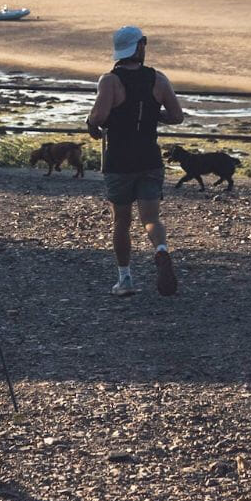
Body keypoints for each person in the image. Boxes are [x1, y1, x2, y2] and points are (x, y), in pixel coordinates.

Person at [86, 26, 185, 297]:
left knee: (121, 220)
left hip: (119, 160)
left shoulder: (110, 81)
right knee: (151, 218)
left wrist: (91, 122)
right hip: (150, 157)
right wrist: (154, 115)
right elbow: (177, 116)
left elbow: (98, 117)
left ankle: (125, 279)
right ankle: (161, 250)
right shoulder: (158, 79)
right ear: (139, 47)